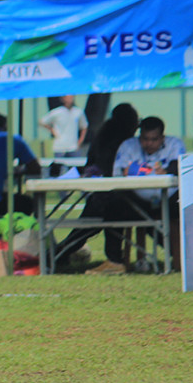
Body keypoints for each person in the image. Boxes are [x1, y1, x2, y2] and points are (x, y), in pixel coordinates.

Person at [86, 116, 185, 275]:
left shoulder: (175, 144)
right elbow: (119, 174)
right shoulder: (128, 146)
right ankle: (114, 261)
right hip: (137, 201)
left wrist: (148, 171)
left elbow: (177, 166)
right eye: (145, 139)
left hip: (169, 201)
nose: (149, 144)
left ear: (162, 138)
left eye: (154, 139)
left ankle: (185, 257)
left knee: (183, 210)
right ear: (140, 136)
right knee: (112, 206)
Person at [55, 103, 140, 264]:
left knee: (81, 231)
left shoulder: (103, 134)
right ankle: (113, 257)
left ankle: (58, 254)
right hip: (116, 197)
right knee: (111, 219)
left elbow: (91, 163)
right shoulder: (126, 141)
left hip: (99, 194)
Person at [0, 112, 40, 216]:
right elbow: (35, 167)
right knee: (27, 203)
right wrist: (17, 170)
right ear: (5, 126)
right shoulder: (12, 140)